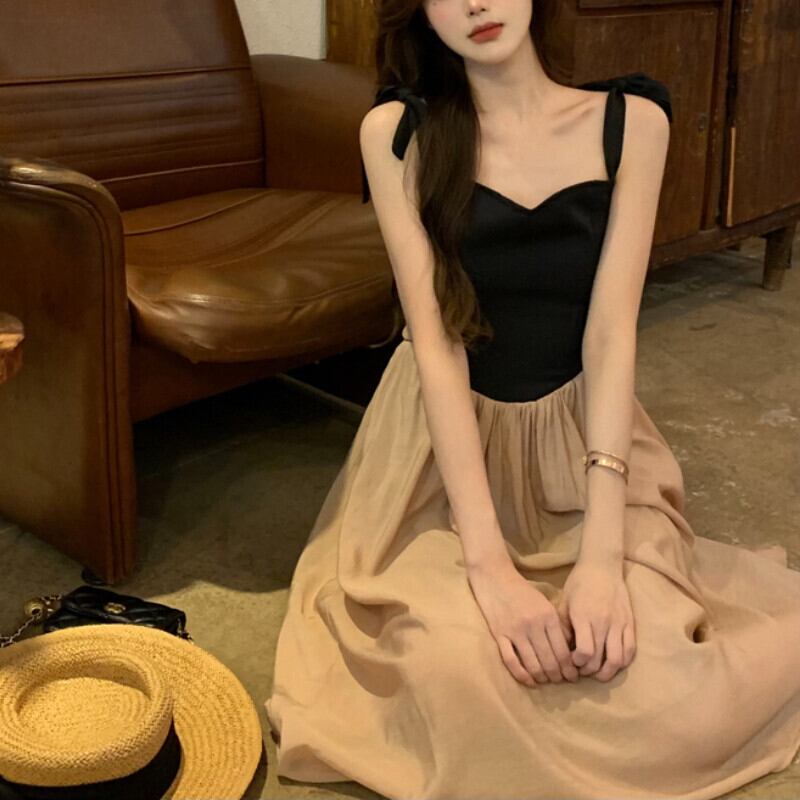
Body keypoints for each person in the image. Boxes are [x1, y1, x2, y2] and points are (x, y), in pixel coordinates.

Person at [265, 2, 800, 798]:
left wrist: (602, 560)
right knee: (457, 670)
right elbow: (437, 346)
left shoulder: (633, 123)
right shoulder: (398, 134)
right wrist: (489, 570)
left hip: (585, 446)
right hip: (439, 462)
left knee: (653, 670)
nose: (477, 3)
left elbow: (610, 337)